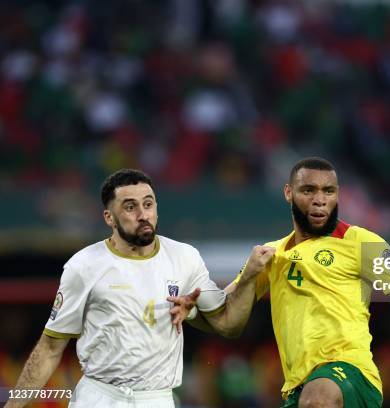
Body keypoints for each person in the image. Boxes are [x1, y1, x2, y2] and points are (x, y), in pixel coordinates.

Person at [170, 157, 390, 407]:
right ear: (289, 193)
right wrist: (193, 308)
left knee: (319, 397)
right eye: (309, 190)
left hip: (351, 377)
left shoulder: (361, 243)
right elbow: (227, 319)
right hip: (297, 389)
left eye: (328, 190)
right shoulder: (270, 255)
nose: (320, 199)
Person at [4, 169, 274, 408]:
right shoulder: (84, 265)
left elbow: (228, 325)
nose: (143, 214)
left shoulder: (185, 257)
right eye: (130, 207)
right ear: (109, 217)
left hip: (157, 398)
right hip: (100, 396)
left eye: (148, 204)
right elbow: (50, 348)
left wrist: (248, 277)